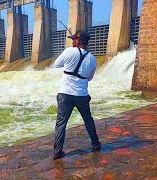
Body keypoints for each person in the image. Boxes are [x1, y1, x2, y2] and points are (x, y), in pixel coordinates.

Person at [52, 30, 101, 160]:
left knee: (61, 123)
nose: (72, 41)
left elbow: (57, 64)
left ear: (78, 41)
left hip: (65, 94)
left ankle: (57, 151)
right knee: (88, 120)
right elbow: (90, 78)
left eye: (74, 39)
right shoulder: (92, 59)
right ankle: (95, 144)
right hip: (82, 95)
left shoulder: (69, 51)